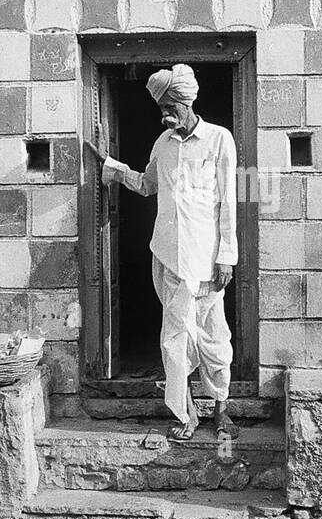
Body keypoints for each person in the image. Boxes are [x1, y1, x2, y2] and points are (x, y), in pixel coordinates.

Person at [84, 63, 240, 442]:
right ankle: (186, 414)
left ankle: (222, 409)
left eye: (169, 106)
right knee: (174, 339)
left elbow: (229, 202)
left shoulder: (219, 140)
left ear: (186, 102)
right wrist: (111, 167)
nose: (164, 114)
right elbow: (146, 184)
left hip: (207, 259)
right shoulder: (162, 144)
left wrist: (227, 257)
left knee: (213, 337)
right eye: (161, 107)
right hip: (168, 256)